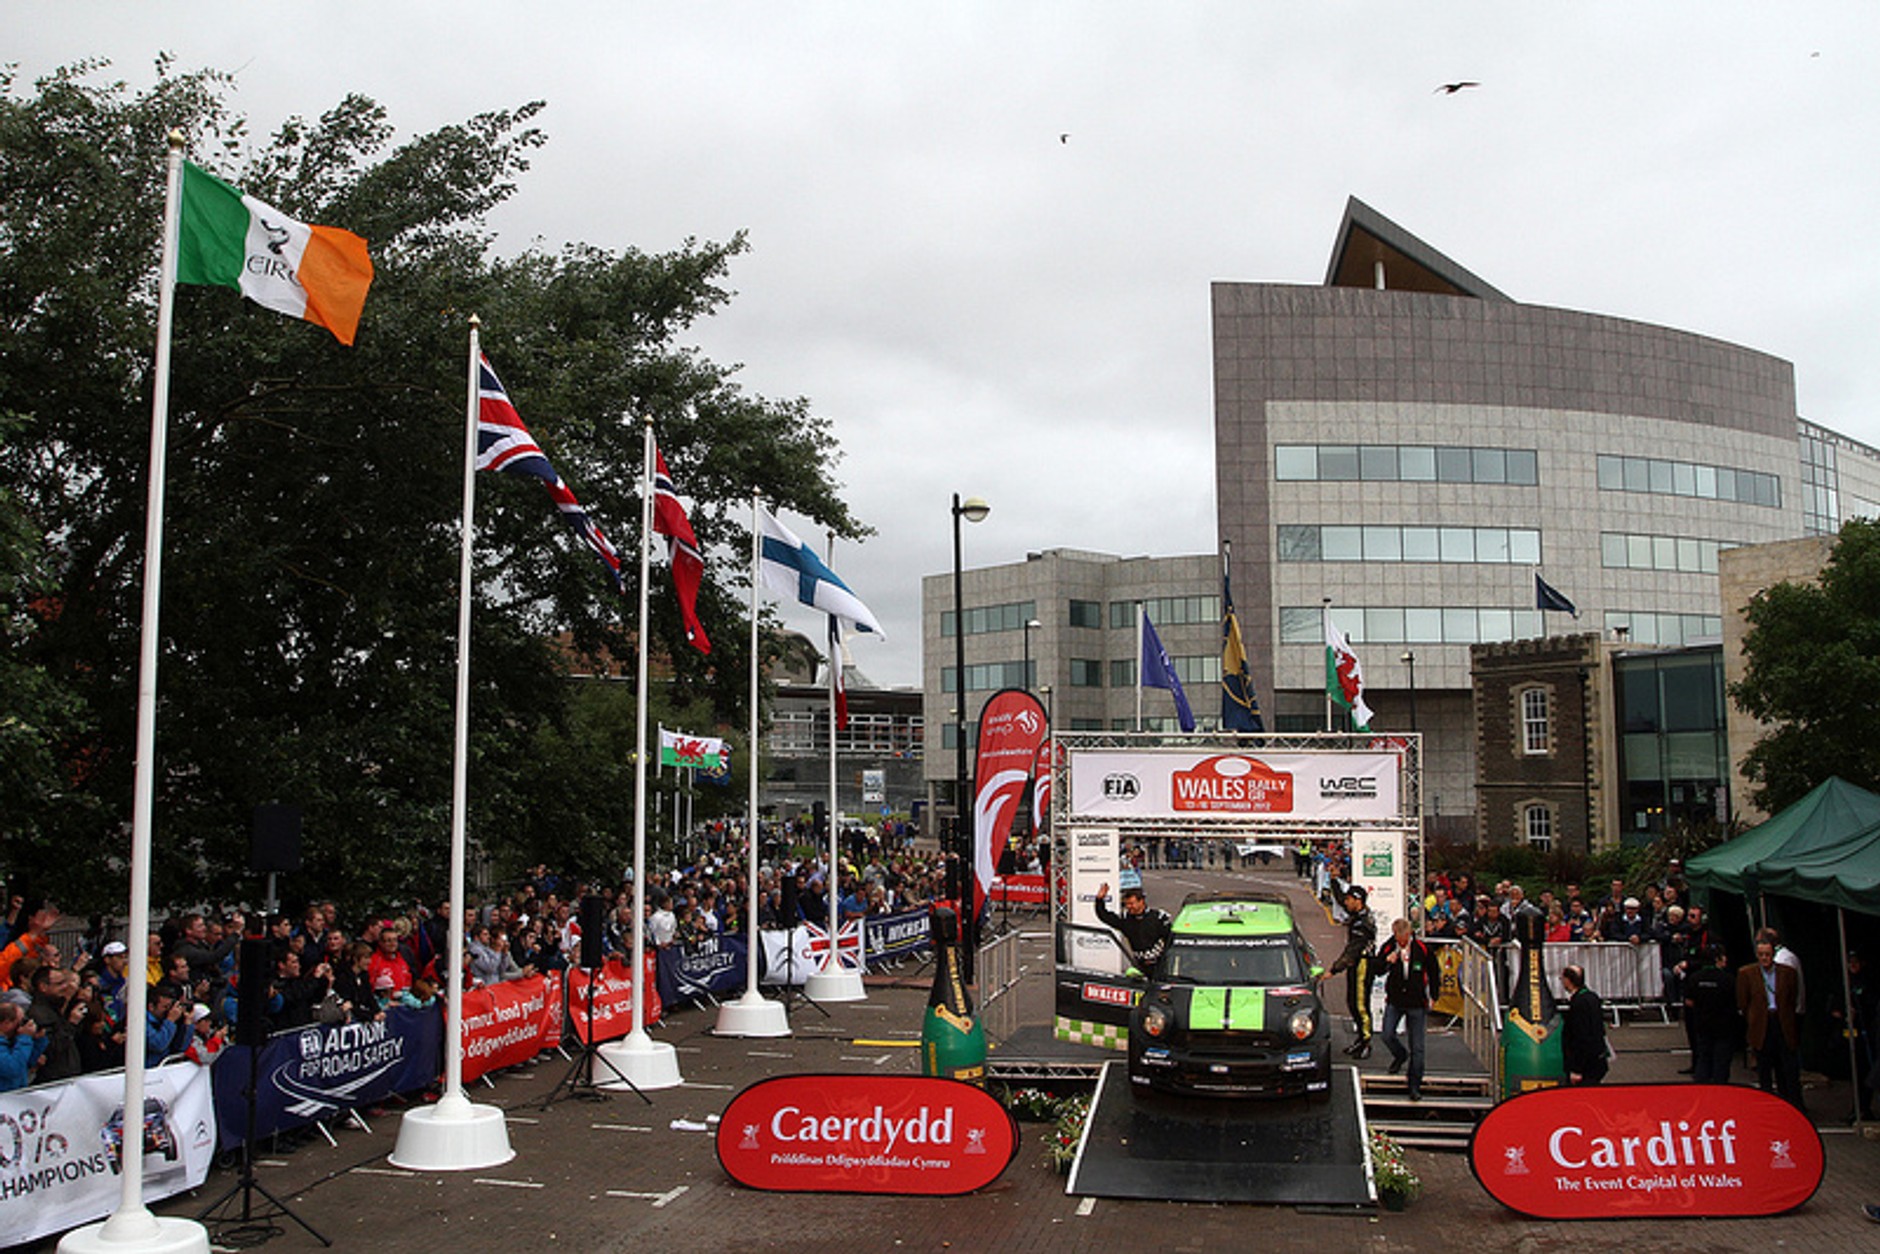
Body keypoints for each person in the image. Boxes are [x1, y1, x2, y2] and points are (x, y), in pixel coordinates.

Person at [1375, 918, 1439, 1099]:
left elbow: (1434, 971)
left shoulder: (1422, 949)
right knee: (1387, 1034)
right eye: (1397, 938)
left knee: (1417, 1047)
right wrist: (1387, 961)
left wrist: (1434, 995)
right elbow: (1377, 968)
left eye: (1403, 938)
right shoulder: (1389, 946)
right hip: (1395, 1000)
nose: (1400, 942)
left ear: (1409, 934)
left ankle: (1414, 1085)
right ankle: (1400, 1054)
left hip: (1416, 1002)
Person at [1738, 938, 1804, 1109]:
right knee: (1764, 1067)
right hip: (1761, 1024)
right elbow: (1743, 1002)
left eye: (1767, 954)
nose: (1764, 958)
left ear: (1773, 954)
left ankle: (1793, 1102)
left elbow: (1792, 996)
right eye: (1761, 955)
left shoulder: (1788, 973)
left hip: (1782, 1022)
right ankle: (1766, 1103)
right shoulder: (1746, 973)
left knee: (1788, 1066)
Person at [1326, 884, 1378, 1058]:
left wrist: (1333, 970)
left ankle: (1366, 1041)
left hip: (1363, 964)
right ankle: (1360, 1039)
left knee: (1361, 1005)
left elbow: (1352, 951)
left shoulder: (1362, 924)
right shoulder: (1358, 914)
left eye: (1349, 899)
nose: (1346, 902)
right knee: (1351, 1002)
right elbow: (1341, 900)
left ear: (1358, 901)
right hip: (1355, 964)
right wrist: (1333, 880)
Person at [1092, 882, 1172, 976]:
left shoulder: (1158, 918)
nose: (1129, 907)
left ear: (1141, 901)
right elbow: (1105, 916)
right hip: (1139, 967)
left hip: (1161, 967)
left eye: (1131, 903)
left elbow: (1171, 940)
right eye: (1126, 904)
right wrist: (1099, 899)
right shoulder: (1126, 919)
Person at [1684, 944, 1737, 1084]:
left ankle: (1702, 1089)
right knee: (1721, 1062)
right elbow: (1735, 1001)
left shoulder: (1694, 978)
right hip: (1723, 1028)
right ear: (1717, 959)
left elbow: (1689, 1001)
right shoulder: (1728, 979)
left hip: (1702, 1025)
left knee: (1704, 1058)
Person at [1560, 964, 1608, 1085]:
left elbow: (1581, 1037)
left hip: (1586, 1065)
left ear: (1568, 980)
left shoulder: (1579, 1003)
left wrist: (1576, 1068)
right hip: (1597, 1059)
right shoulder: (1592, 997)